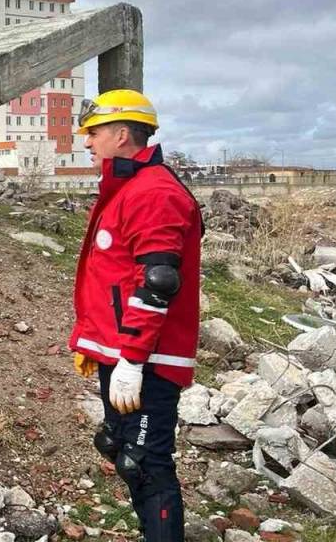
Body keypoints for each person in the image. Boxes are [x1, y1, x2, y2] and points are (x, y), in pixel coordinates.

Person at [69, 89, 202, 542]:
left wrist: (131, 359)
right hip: (123, 353)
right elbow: (116, 279)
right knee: (122, 451)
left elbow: (158, 283)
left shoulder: (153, 193)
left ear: (121, 134)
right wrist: (92, 342)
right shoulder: (125, 189)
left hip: (147, 360)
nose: (86, 143)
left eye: (93, 133)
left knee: (145, 465)